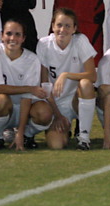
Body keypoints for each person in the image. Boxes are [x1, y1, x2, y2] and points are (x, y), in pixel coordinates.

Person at [36, 8, 97, 150]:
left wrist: (66, 75)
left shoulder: (80, 41)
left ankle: (84, 137)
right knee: (56, 145)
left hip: (75, 98)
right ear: (52, 26)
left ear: (74, 29)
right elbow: (44, 84)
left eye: (68, 26)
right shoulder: (44, 44)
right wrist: (57, 115)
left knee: (86, 84)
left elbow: (92, 75)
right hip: (55, 103)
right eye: (59, 25)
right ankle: (66, 128)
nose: (62, 29)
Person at [0, 19, 52, 150]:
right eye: (9, 33)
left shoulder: (32, 59)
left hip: (25, 109)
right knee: (0, 99)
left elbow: (27, 98)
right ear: (2, 35)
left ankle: (28, 135)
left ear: (23, 38)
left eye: (17, 34)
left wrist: (21, 132)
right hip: (5, 108)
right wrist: (30, 88)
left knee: (44, 112)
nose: (12, 38)